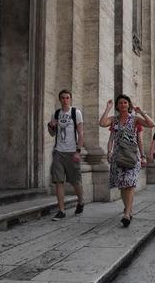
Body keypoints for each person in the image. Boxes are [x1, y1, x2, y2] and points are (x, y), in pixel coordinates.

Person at [99, 95, 154, 227]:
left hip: (132, 156)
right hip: (118, 156)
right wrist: (108, 108)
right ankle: (128, 209)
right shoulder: (114, 120)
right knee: (123, 185)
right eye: (120, 103)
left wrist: (141, 112)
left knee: (129, 183)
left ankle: (127, 214)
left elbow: (151, 124)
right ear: (117, 106)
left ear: (128, 105)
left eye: (125, 102)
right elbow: (103, 126)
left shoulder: (134, 119)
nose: (123, 105)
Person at [47, 89, 85, 221]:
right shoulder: (56, 113)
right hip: (58, 151)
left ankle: (81, 202)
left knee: (76, 182)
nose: (65, 100)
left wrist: (78, 151)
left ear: (71, 99)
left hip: (72, 152)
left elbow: (80, 133)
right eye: (62, 98)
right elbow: (52, 133)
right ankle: (61, 210)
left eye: (67, 98)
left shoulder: (76, 113)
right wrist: (50, 126)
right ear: (59, 99)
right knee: (59, 181)